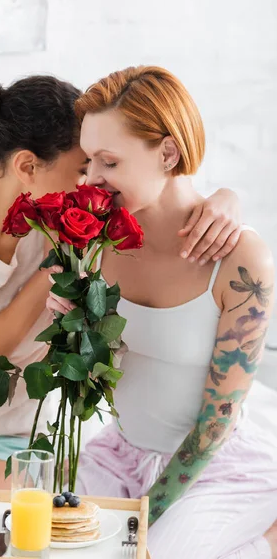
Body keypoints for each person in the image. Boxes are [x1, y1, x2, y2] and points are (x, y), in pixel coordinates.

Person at [0, 75, 240, 490]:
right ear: (28, 167)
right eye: (84, 168)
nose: (95, 183)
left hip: (7, 433)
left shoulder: (82, 211)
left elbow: (160, 189)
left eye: (101, 165)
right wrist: (47, 275)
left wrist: (226, 199)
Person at [47, 66, 277, 558]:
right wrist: (74, 327)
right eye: (89, 161)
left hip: (211, 465)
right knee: (53, 546)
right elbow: (105, 377)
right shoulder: (97, 243)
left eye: (109, 162)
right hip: (121, 454)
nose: (93, 179)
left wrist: (141, 523)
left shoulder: (241, 262)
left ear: (168, 153)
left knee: (148, 553)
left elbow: (217, 421)